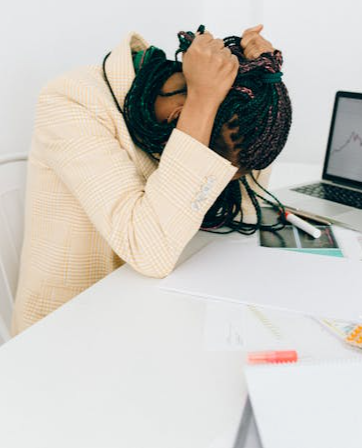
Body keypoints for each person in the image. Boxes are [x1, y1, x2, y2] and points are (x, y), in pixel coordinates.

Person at [11, 25, 292, 335]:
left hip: (155, 309)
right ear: (178, 117)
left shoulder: (194, 116)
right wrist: (203, 101)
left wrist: (263, 89)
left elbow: (244, 202)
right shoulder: (72, 101)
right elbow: (149, 251)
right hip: (72, 330)